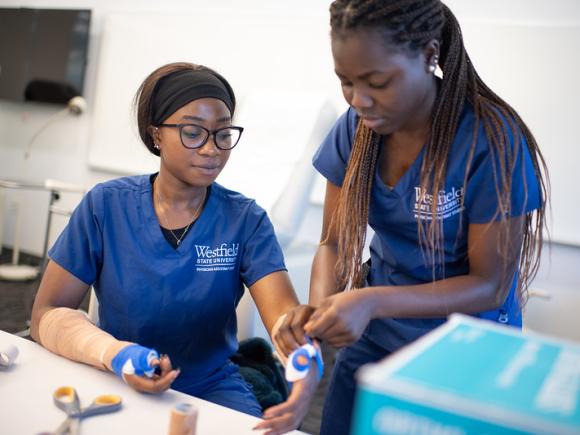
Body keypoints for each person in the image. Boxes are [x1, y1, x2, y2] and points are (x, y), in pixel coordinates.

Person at [273, 1, 548, 434]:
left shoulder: (489, 138)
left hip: (465, 353)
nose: (359, 100)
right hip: (376, 340)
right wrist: (318, 318)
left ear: (429, 54)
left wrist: (371, 300)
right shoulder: (357, 127)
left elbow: (491, 284)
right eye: (345, 82)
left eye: (377, 82)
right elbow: (333, 243)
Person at [30, 62, 318, 434]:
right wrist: (115, 355)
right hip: (115, 373)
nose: (213, 149)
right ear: (156, 135)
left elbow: (284, 320)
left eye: (223, 133)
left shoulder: (245, 219)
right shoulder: (106, 206)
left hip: (210, 385)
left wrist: (305, 364)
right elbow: (46, 315)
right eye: (193, 132)